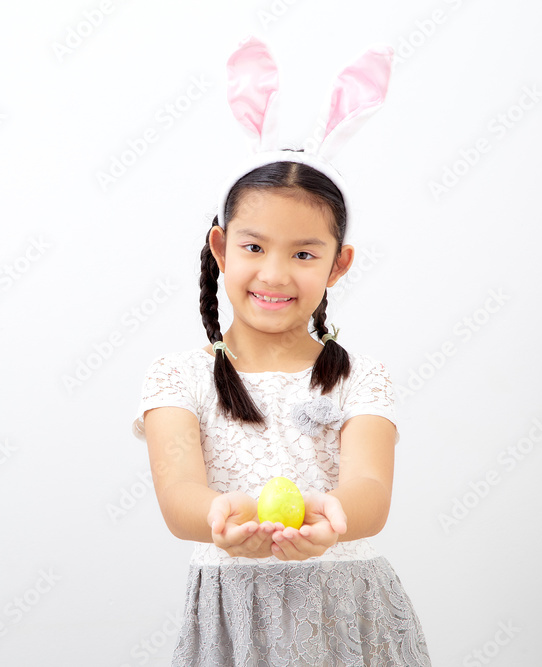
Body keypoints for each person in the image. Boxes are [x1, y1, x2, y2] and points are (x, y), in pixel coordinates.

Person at [131, 36, 432, 666]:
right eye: (252, 247)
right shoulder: (179, 377)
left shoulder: (358, 378)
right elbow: (178, 493)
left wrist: (332, 516)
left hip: (348, 613)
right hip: (234, 623)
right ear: (219, 248)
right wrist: (220, 514)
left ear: (337, 263)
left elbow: (371, 488)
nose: (274, 274)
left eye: (303, 253)